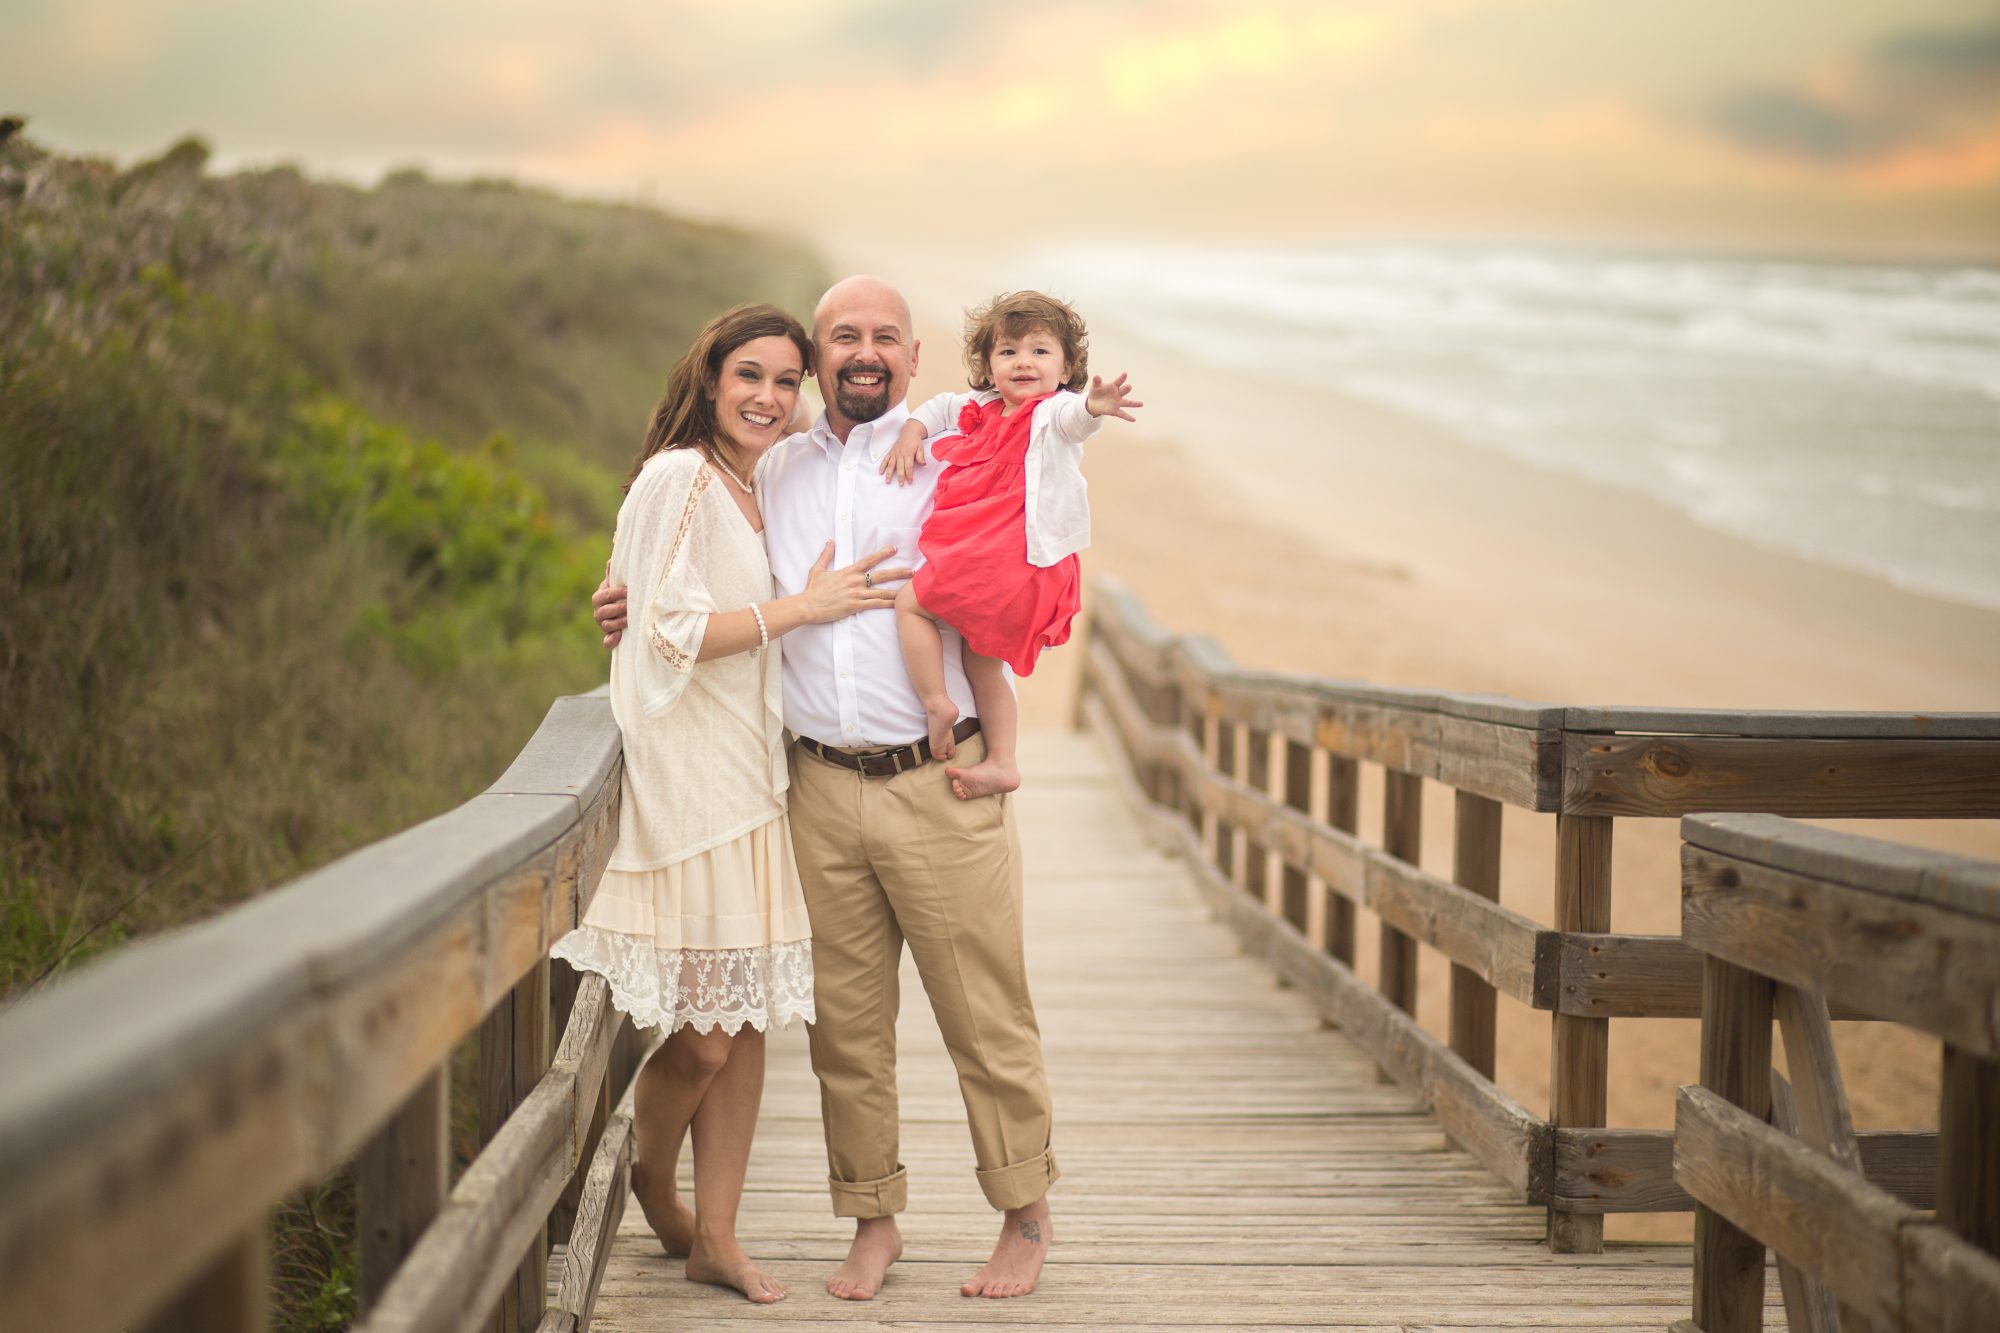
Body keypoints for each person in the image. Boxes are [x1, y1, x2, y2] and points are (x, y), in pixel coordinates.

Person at [593, 276, 1060, 1301]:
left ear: (912, 359)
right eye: (842, 336)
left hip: (939, 780)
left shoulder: (953, 450)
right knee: (846, 1030)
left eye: (883, 338)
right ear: (818, 353)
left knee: (983, 1011)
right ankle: (872, 1220)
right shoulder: (775, 469)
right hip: (809, 786)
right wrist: (625, 599)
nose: (862, 352)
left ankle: (1022, 1214)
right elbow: (697, 574)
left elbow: (1047, 433)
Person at [552, 303, 904, 1305]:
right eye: (748, 375)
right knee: (704, 1033)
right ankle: (650, 1178)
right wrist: (805, 607)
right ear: (708, 379)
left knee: (745, 1022)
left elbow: (660, 592)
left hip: (758, 778)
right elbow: (663, 627)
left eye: (785, 380)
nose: (768, 396)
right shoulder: (679, 476)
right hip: (690, 783)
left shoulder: (759, 483)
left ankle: (717, 1235)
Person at [880, 291, 1141, 800]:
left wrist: (1095, 405)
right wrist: (913, 430)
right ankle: (1002, 760)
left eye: (1040, 352)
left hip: (1009, 556)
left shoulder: (1053, 413)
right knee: (983, 659)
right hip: (995, 559)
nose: (1023, 361)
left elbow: (1076, 421)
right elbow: (938, 407)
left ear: (1066, 367)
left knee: (909, 605)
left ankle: (937, 701)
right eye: (1008, 352)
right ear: (988, 364)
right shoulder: (978, 405)